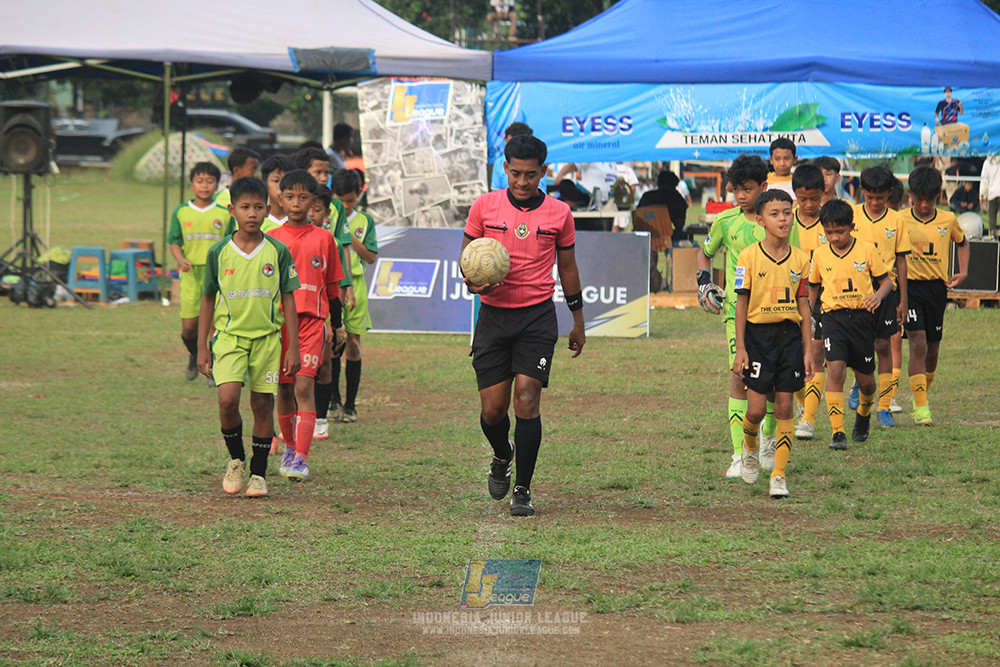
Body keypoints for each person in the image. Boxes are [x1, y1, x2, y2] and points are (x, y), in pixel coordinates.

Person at [464, 134, 585, 517]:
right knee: (493, 411)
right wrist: (473, 283)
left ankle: (522, 489)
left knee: (527, 401)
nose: (522, 181)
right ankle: (503, 455)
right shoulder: (484, 207)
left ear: (543, 172)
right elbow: (466, 261)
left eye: (531, 174)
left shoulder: (560, 213)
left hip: (536, 317)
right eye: (515, 173)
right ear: (506, 169)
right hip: (494, 317)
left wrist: (578, 320)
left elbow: (566, 267)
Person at [197, 177, 301, 498]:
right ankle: (236, 460)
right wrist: (202, 347)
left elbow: (288, 299)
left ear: (268, 210)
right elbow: (207, 299)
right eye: (245, 207)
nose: (252, 214)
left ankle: (258, 474)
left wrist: (293, 347)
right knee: (227, 400)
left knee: (261, 405)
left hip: (268, 341)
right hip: (229, 339)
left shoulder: (277, 251)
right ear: (232, 210)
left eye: (258, 207)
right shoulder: (218, 253)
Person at [696, 155, 773, 478]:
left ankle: (767, 445)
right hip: (736, 316)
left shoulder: (778, 219)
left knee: (768, 385)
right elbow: (705, 252)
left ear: (763, 187)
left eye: (747, 189)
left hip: (774, 316)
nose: (740, 195)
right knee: (740, 378)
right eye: (736, 190)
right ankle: (740, 454)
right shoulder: (725, 222)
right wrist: (704, 283)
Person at [267, 170, 347, 481]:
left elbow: (332, 287)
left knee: (303, 386)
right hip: (279, 326)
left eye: (303, 198)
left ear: (314, 201)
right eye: (290, 197)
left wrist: (337, 326)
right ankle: (289, 447)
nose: (296, 203)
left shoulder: (325, 239)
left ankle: (301, 457)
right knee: (284, 390)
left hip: (313, 324)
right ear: (280, 198)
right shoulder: (271, 239)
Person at [733, 190, 813, 498]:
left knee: (784, 406)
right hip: (758, 338)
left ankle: (778, 475)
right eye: (774, 214)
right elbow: (742, 303)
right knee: (754, 411)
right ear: (759, 219)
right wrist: (741, 347)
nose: (783, 219)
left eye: (786, 212)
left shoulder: (801, 258)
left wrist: (807, 349)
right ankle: (750, 446)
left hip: (789, 338)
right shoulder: (748, 257)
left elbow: (803, 305)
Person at [808, 200, 892, 450]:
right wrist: (808, 314)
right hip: (832, 318)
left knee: (867, 381)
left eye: (840, 232)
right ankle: (837, 432)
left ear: (852, 227)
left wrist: (877, 296)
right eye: (829, 232)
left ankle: (864, 415)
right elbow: (813, 286)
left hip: (862, 319)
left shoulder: (866, 250)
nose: (834, 238)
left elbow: (886, 281)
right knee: (835, 369)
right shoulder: (820, 255)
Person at [901, 166, 970, 426]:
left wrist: (962, 273)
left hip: (937, 290)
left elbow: (962, 243)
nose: (924, 204)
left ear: (939, 196)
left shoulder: (948, 219)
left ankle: (922, 393)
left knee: (932, 348)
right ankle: (922, 409)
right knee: (917, 341)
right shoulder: (900, 220)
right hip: (909, 289)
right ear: (911, 195)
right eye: (919, 198)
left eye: (929, 199)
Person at [849, 166, 910, 429]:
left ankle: (884, 407)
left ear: (889, 194)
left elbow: (902, 262)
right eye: (870, 197)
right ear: (862, 191)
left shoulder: (896, 221)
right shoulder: (851, 215)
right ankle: (858, 383)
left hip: (885, 290)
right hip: (855, 290)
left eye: (880, 198)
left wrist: (903, 301)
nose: (874, 203)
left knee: (884, 346)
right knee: (857, 345)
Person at [168, 161, 232, 381]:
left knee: (215, 325)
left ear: (217, 185)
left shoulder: (224, 213)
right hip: (191, 275)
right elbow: (174, 241)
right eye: (200, 181)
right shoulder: (182, 212)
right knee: (189, 327)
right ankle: (194, 353)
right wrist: (180, 259)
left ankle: (212, 368)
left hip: (215, 276)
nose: (205, 186)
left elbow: (231, 242)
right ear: (192, 184)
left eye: (210, 181)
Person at [331, 169, 378, 424]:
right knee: (331, 342)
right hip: (331, 285)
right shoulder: (326, 215)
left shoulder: (365, 221)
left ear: (358, 194)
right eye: (341, 199)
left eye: (350, 200)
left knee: (352, 342)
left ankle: (350, 405)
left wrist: (349, 241)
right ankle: (332, 400)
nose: (345, 205)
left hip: (356, 285)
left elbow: (371, 257)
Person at [308, 184, 352, 436]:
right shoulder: (282, 237)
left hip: (320, 314)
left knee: (324, 366)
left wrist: (337, 322)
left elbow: (336, 285)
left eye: (317, 209)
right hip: (292, 315)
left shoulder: (330, 242)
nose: (311, 213)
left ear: (326, 214)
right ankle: (296, 418)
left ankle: (321, 418)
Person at [788, 164, 827, 440]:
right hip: (789, 296)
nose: (810, 204)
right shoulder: (785, 220)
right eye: (804, 199)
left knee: (815, 354)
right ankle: (803, 404)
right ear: (795, 196)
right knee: (792, 357)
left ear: (823, 194)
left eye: (815, 199)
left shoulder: (831, 221)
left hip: (826, 296)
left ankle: (809, 420)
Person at [491, 123, 549, 193]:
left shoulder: (537, 162)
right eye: (515, 174)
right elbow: (495, 192)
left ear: (542, 171)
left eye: (530, 175)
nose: (522, 183)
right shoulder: (499, 162)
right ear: (506, 167)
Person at [637, 170, 689, 243]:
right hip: (666, 238)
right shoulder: (675, 198)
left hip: (644, 237)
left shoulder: (647, 196)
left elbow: (637, 217)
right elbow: (679, 225)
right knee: (682, 234)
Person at [553, 161, 619, 208]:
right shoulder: (590, 155)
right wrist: (560, 175)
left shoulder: (612, 161)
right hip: (591, 204)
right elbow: (572, 166)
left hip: (610, 204)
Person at [259, 154, 295, 232]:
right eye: (276, 181)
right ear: (265, 184)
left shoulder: (303, 221)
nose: (281, 186)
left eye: (286, 180)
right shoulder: (256, 221)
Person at [979, 155, 1000, 238]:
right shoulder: (987, 163)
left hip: (992, 194)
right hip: (993, 194)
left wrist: (982, 195)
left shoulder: (987, 163)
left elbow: (984, 180)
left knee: (992, 220)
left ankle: (993, 237)